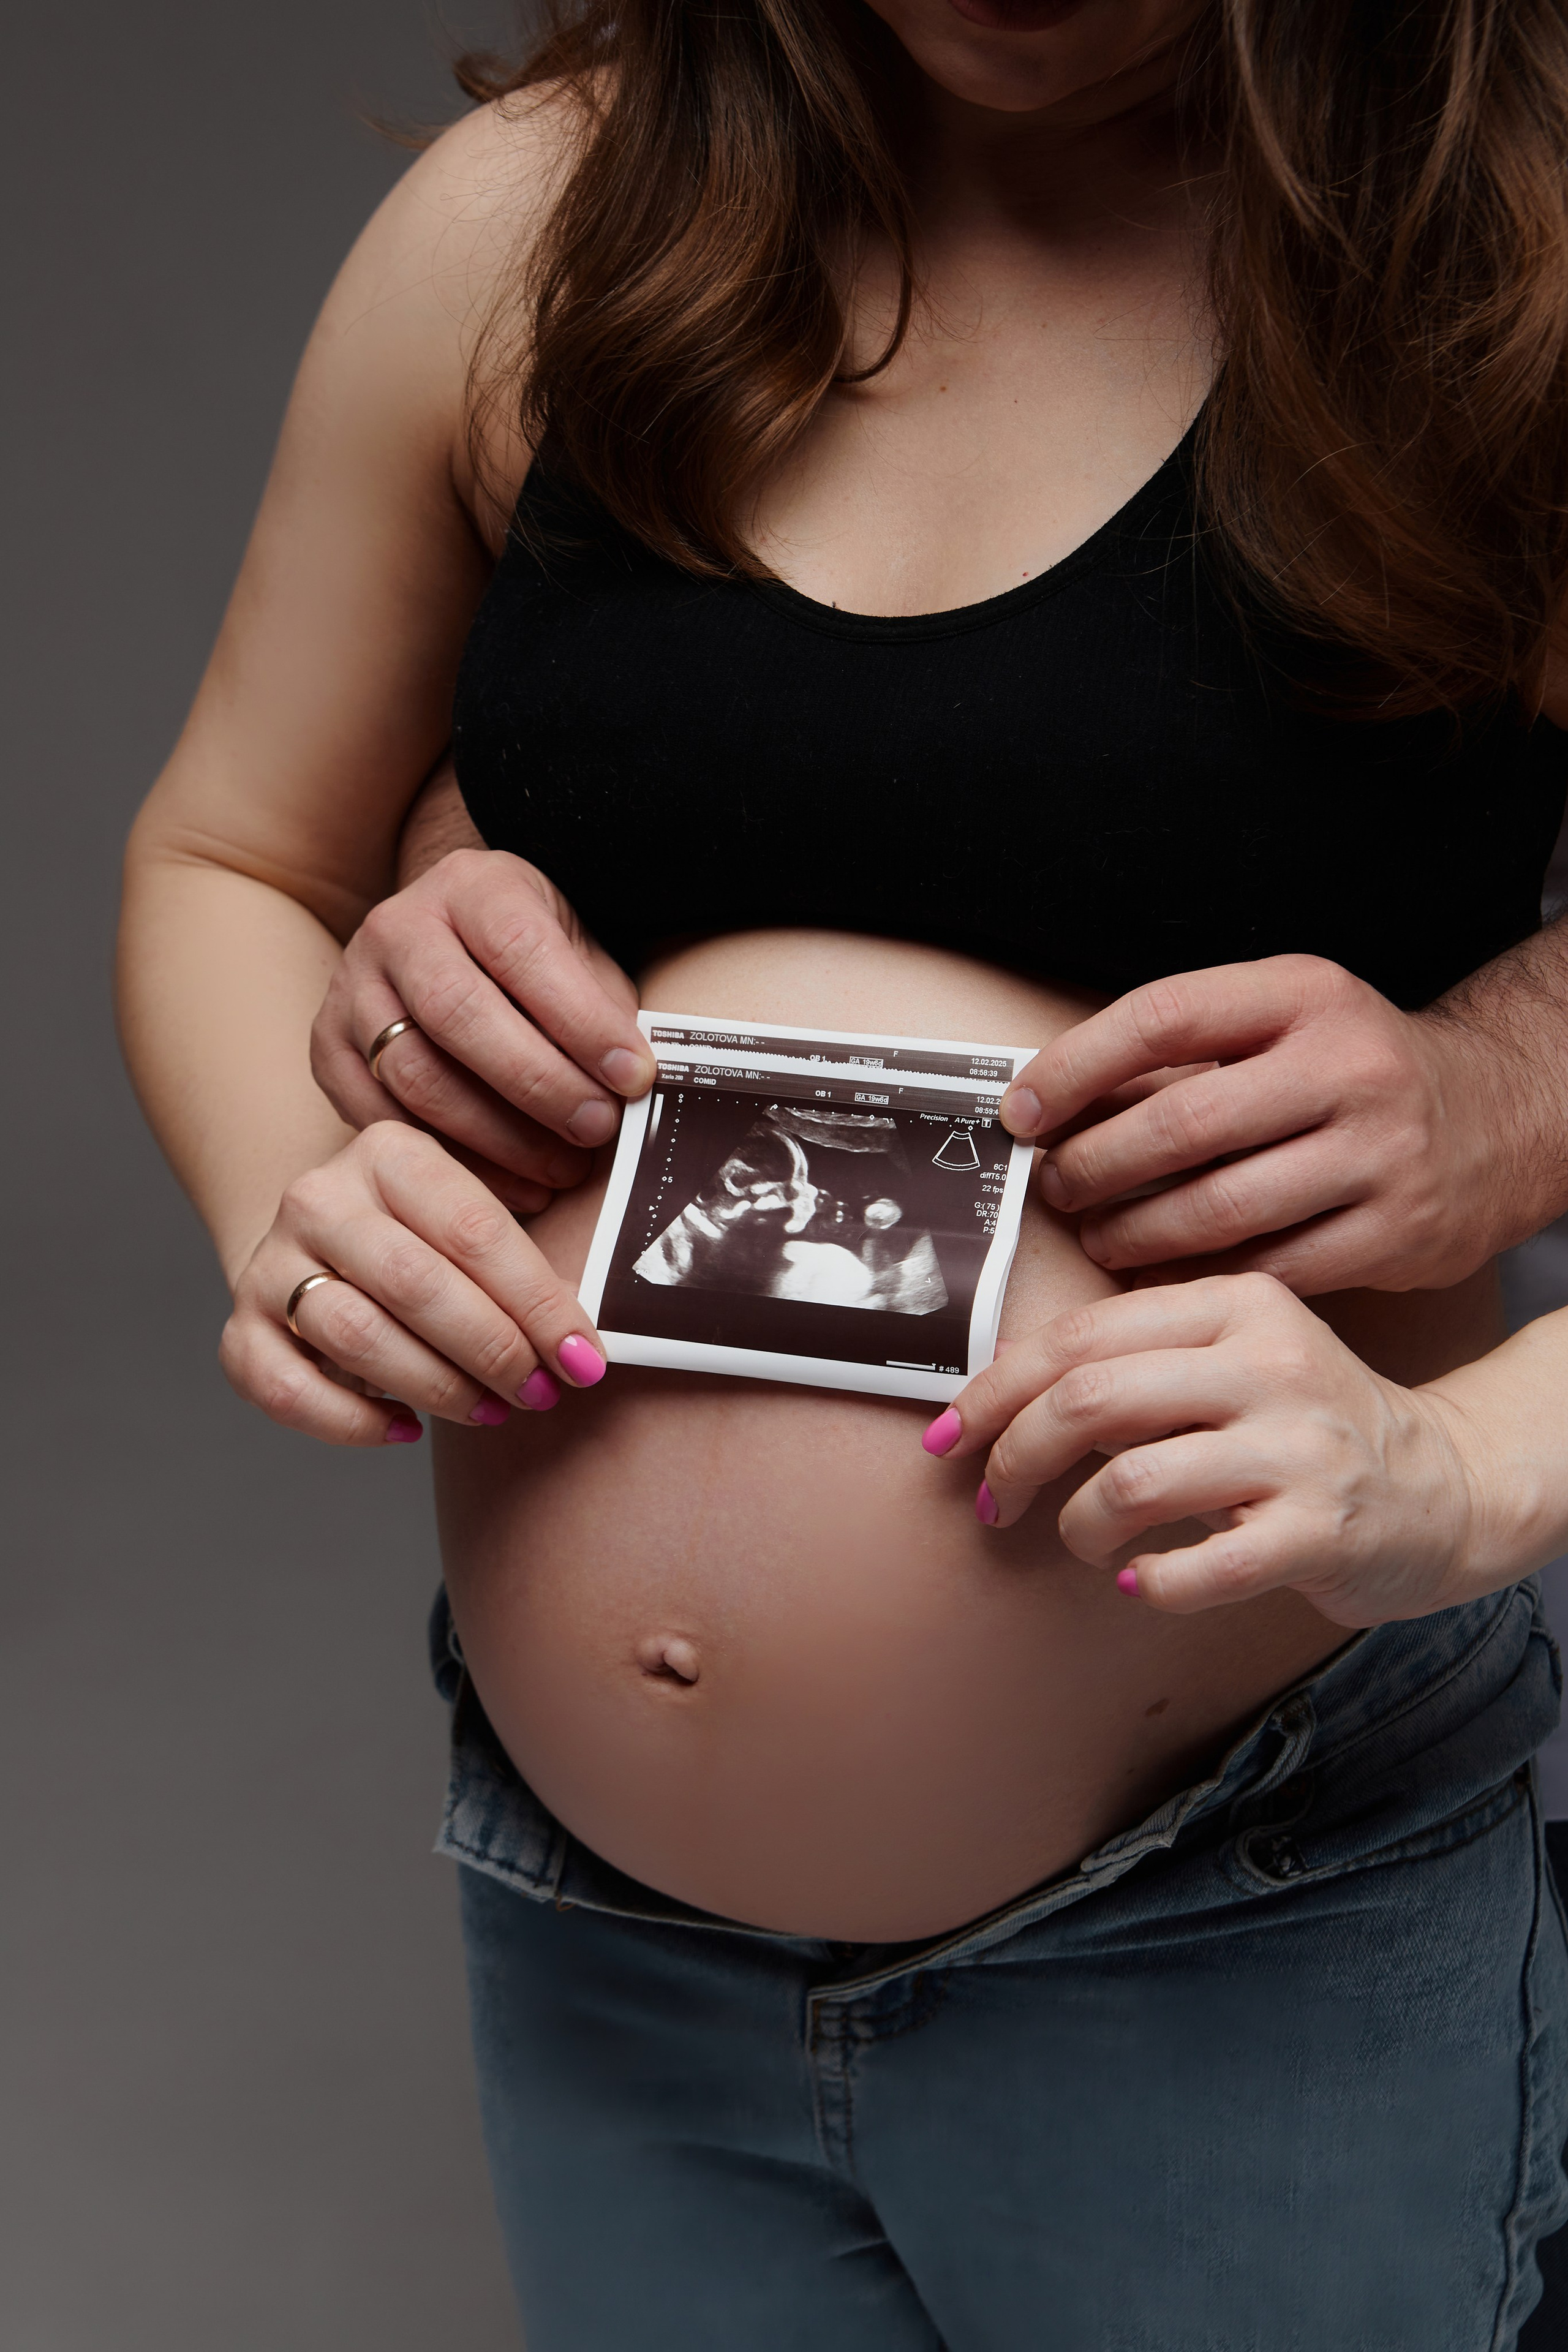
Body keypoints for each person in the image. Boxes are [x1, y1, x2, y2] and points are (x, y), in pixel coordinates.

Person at [116, 1, 1568, 2343]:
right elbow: (226, 846)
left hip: (1249, 1910)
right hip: (598, 1925)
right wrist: (310, 1184)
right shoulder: (533, 233)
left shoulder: (1515, 268)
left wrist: (1471, 1467)